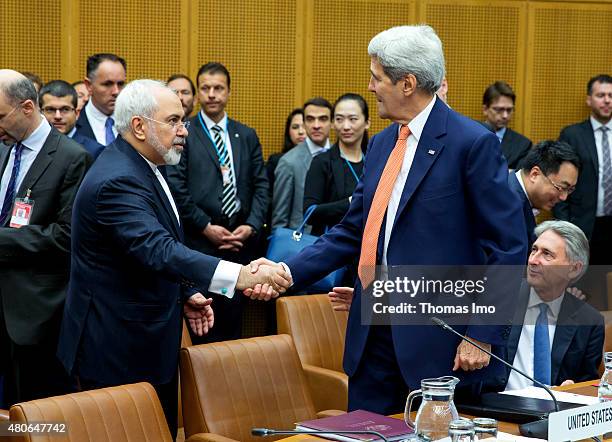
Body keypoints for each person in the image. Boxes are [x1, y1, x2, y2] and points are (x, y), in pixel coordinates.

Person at [256, 25, 527, 415]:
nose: (370, 86)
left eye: (377, 77)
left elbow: (509, 246)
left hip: (438, 343)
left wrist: (482, 336)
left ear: (407, 83)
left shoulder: (472, 143)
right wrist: (287, 270)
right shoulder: (383, 143)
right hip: (372, 337)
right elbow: (353, 230)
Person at [57, 80, 289, 438]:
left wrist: (186, 293)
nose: (184, 130)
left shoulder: (147, 164)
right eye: (174, 121)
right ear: (139, 126)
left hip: (147, 338)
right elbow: (157, 248)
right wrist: (240, 275)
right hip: (117, 347)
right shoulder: (117, 179)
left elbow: (145, 252)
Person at [0, 70, 92, 406]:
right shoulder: (3, 148)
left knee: (40, 416)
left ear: (26, 107)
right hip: (2, 303)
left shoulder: (72, 158)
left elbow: (65, 237)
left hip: (37, 313)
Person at [167, 62, 269, 343]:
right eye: (205, 88)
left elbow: (261, 185)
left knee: (232, 329)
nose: (212, 94)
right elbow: (176, 188)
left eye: (218, 88)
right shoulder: (183, 132)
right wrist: (205, 226)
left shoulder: (245, 135)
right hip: (200, 246)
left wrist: (251, 225)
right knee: (202, 328)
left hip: (239, 244)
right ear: (198, 93)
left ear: (228, 92)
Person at [503, 221, 604, 390]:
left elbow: (587, 384)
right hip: (498, 408)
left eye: (547, 254)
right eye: (534, 250)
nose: (533, 260)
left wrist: (575, 388)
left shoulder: (590, 322)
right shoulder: (500, 297)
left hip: (554, 411)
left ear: (574, 269)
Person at [554, 74, 612, 260]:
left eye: (611, 96)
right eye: (601, 95)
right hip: (582, 225)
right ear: (589, 99)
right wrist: (565, 226)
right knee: (580, 285)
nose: (607, 101)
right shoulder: (572, 135)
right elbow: (558, 181)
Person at [303, 93, 370, 236]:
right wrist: (352, 202)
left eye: (353, 119)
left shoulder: (375, 160)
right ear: (333, 123)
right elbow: (310, 212)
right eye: (339, 119)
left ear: (367, 123)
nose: (346, 126)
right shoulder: (322, 162)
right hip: (332, 244)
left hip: (368, 245)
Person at [272, 97, 332, 229]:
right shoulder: (289, 162)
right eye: (310, 119)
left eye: (323, 119)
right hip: (302, 242)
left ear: (332, 122)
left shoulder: (340, 157)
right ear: (304, 123)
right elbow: (280, 218)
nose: (316, 125)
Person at [509, 140, 580, 249]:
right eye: (561, 188)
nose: (563, 197)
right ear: (535, 174)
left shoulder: (513, 191)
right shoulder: (509, 206)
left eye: (569, 190)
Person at [39, 80, 104, 159]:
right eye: (50, 109)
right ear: (41, 113)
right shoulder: (33, 147)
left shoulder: (94, 151)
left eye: (65, 109)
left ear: (77, 113)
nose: (58, 116)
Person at [74, 53, 127, 146]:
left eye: (120, 84)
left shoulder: (135, 125)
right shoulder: (73, 124)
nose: (116, 91)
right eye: (107, 84)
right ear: (89, 85)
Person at [482, 81, 532, 169]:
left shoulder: (523, 145)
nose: (505, 116)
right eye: (499, 110)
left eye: (509, 110)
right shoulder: (470, 136)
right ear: (485, 109)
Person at [266, 108, 305, 191]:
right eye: (295, 127)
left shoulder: (321, 159)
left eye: (304, 127)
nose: (301, 132)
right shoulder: (276, 161)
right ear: (288, 132)